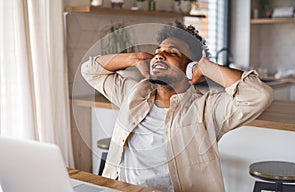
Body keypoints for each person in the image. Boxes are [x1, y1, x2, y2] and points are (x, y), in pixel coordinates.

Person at [81, 22, 273, 192]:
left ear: (191, 67)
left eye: (172, 52)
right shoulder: (132, 93)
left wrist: (205, 67)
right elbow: (90, 71)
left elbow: (259, 95)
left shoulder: (207, 108)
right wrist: (136, 57)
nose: (159, 56)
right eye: (157, 52)